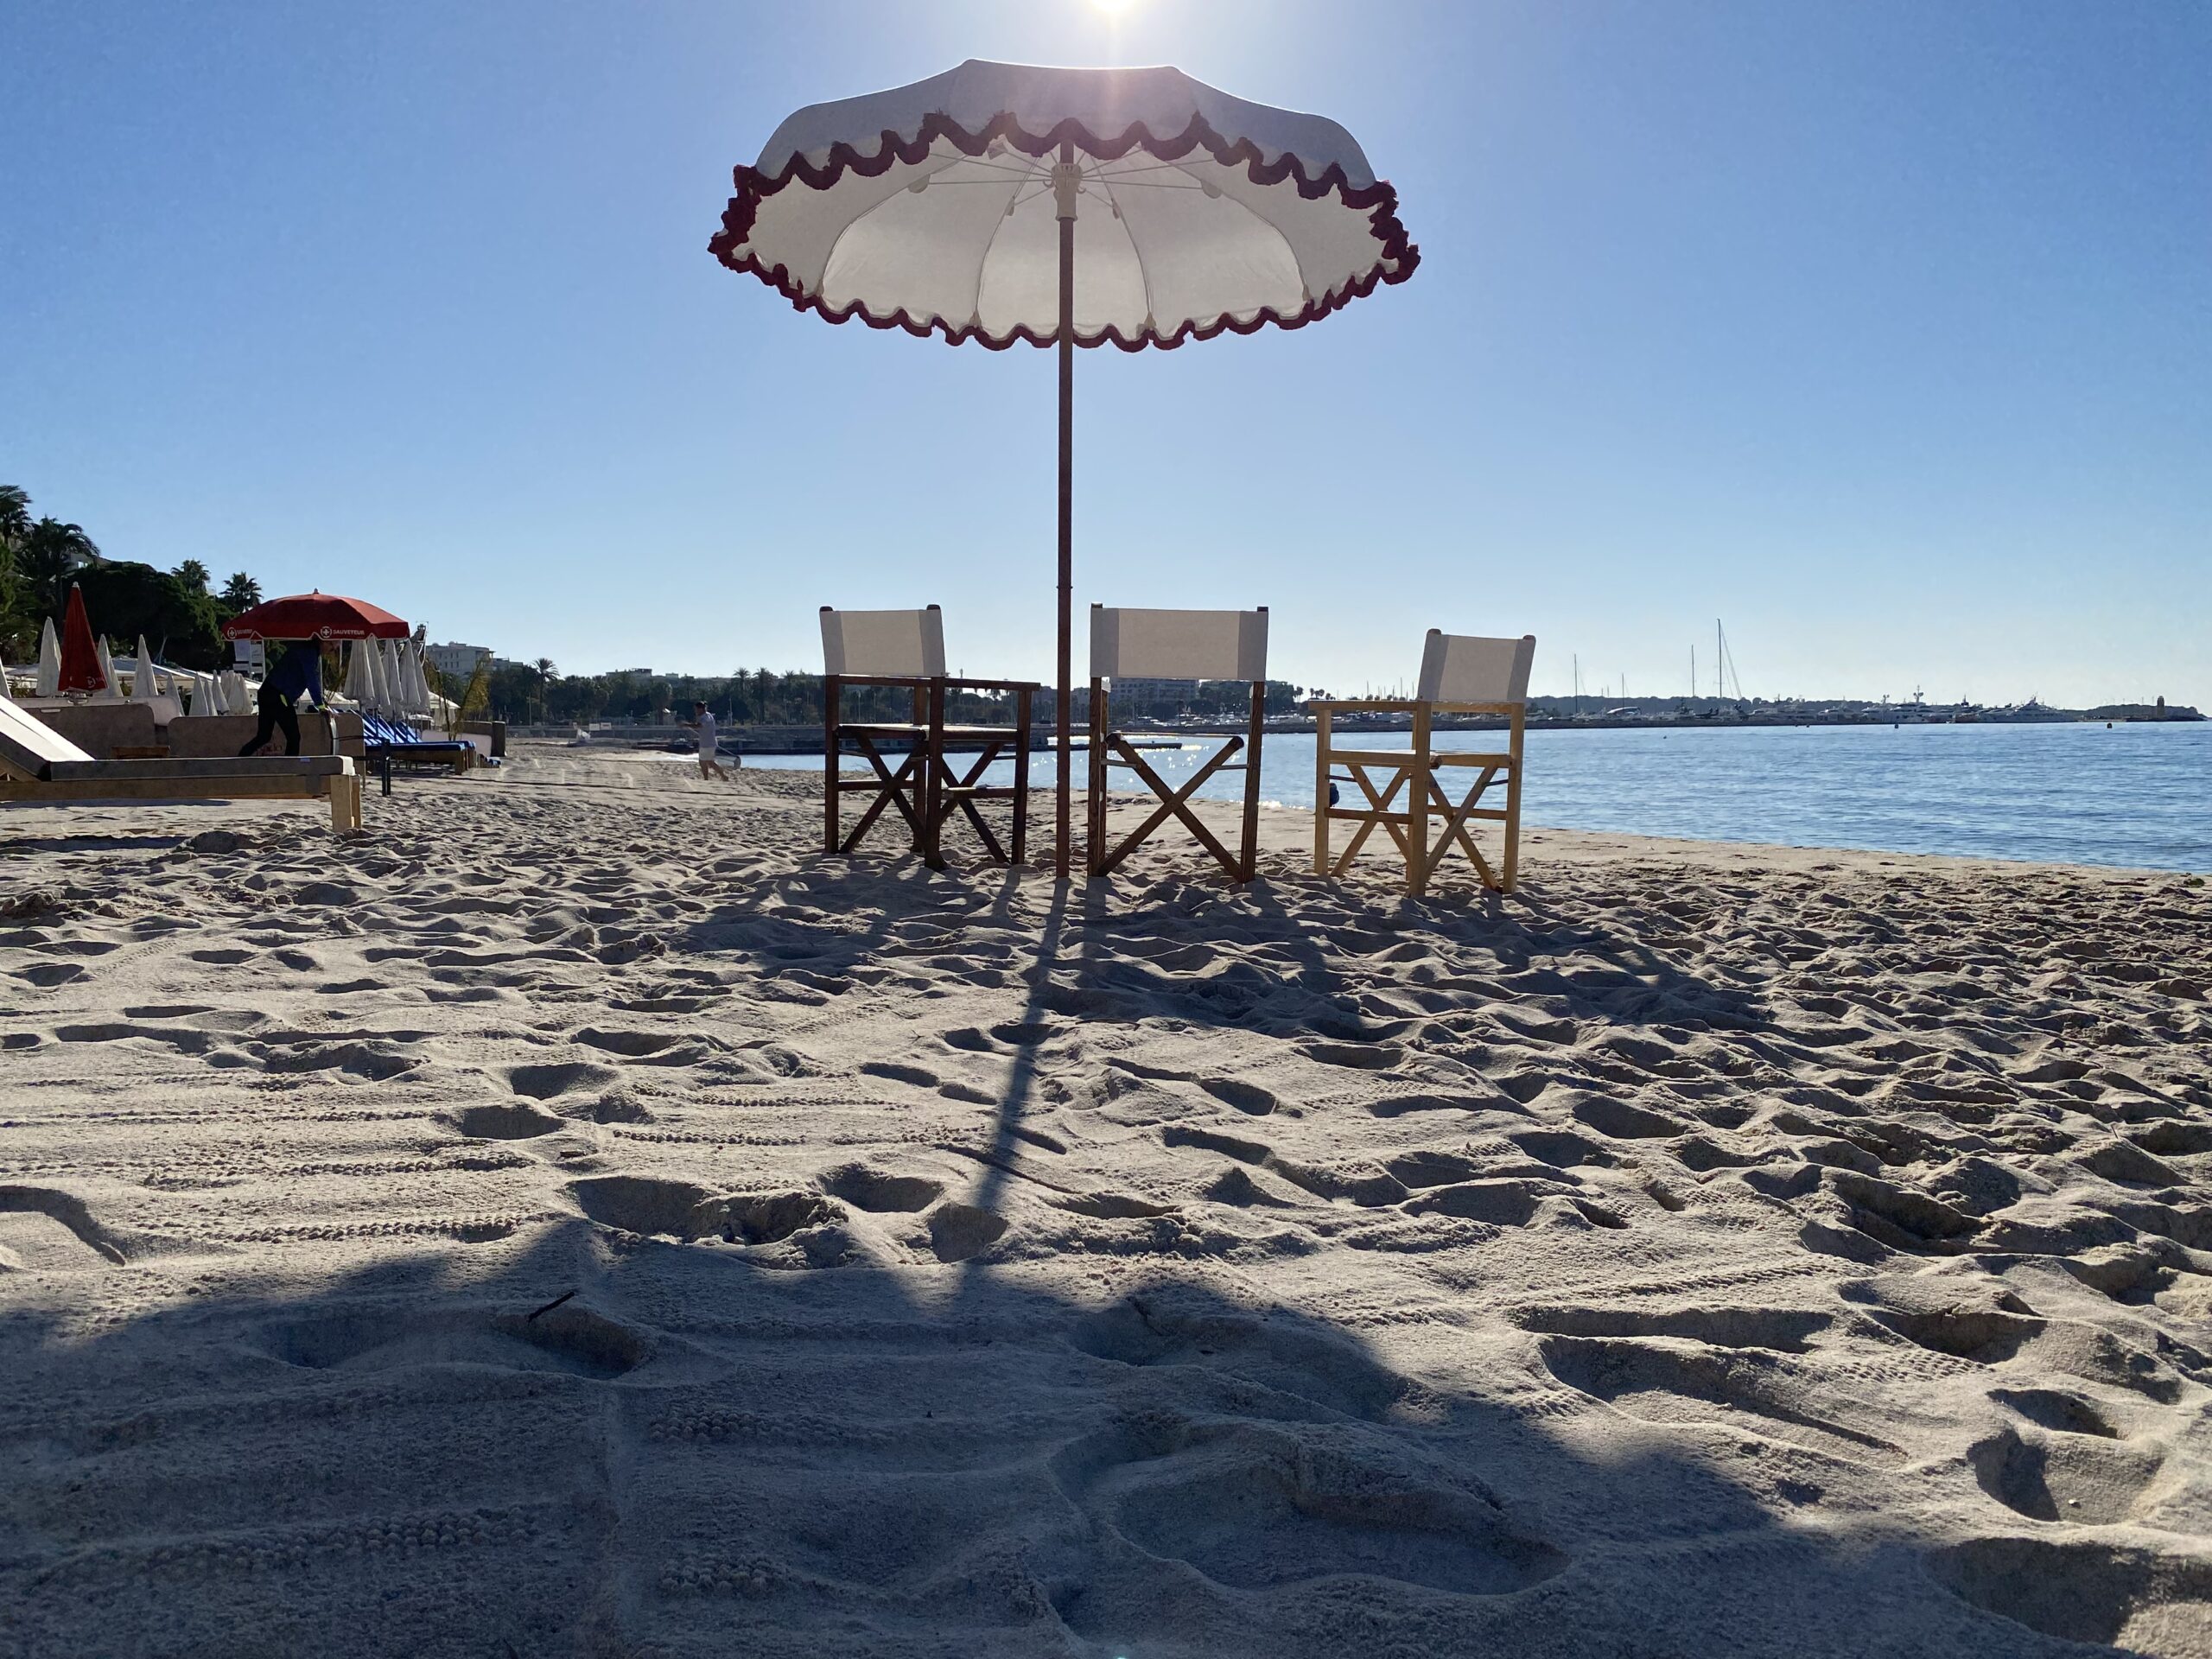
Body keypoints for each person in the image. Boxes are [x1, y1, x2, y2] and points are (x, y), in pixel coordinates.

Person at [238, 641, 324, 756]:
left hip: (267, 691)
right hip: (278, 695)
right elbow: (311, 679)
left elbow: (311, 679)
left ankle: (240, 761)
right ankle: (290, 771)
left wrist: (322, 703)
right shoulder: (309, 652)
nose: (333, 650)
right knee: (294, 737)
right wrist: (320, 705)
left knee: (264, 736)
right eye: (332, 646)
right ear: (322, 642)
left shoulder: (304, 649)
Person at [683, 700, 728, 781]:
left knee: (703, 762)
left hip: (707, 744)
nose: (696, 711)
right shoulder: (709, 715)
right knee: (710, 762)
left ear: (700, 709)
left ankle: (707, 778)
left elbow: (698, 726)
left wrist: (686, 725)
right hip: (710, 743)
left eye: (696, 709)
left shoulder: (705, 718)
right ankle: (723, 776)